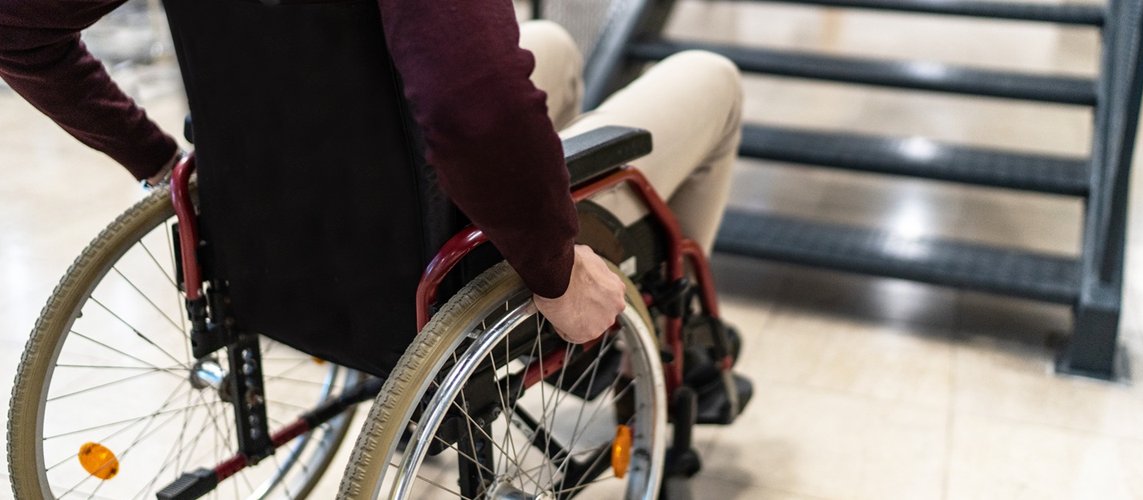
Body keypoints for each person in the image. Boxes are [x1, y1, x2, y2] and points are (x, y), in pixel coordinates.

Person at [0, 0, 742, 344]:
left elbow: (16, 28)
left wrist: (162, 164)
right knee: (711, 79)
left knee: (548, 43)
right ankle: (683, 345)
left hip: (275, 234)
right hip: (414, 257)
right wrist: (553, 269)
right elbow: (473, 110)